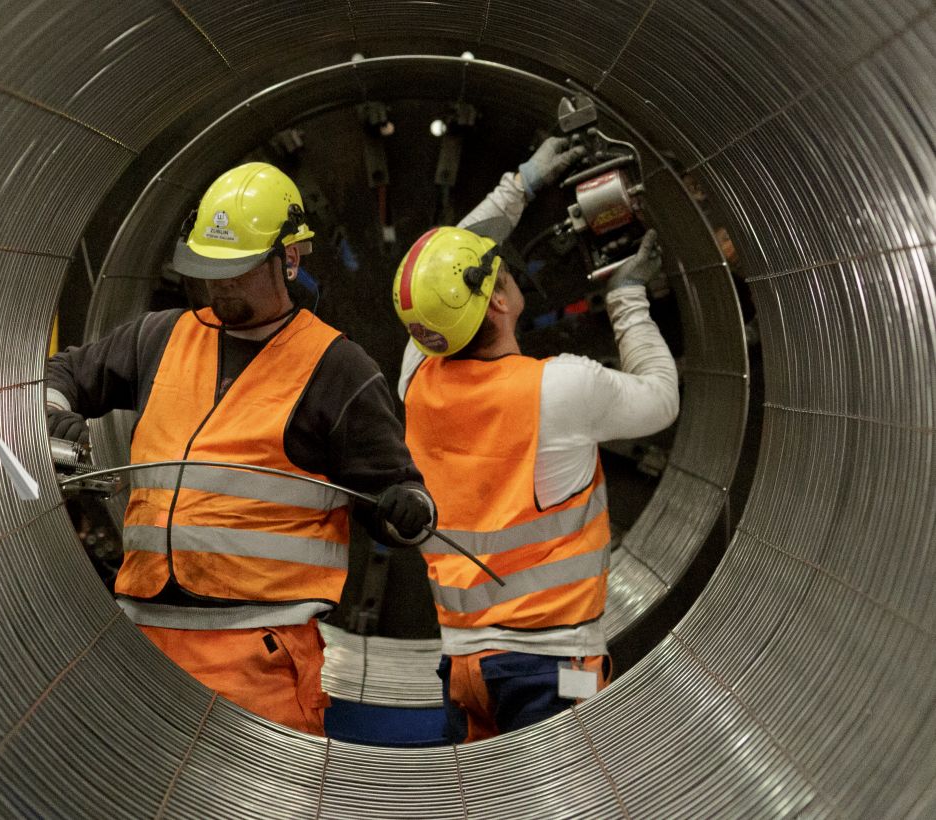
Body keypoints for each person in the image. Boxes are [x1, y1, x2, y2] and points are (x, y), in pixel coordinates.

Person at [45, 162, 434, 736]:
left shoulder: (337, 369)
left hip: (259, 659)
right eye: (209, 268)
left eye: (236, 270)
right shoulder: (160, 337)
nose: (219, 285)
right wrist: (56, 416)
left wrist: (405, 510)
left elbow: (402, 502)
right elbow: (60, 374)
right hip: (143, 644)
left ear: (289, 258)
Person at [392, 138, 679, 742]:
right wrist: (628, 297)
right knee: (567, 788)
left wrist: (521, 182)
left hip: (464, 667)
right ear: (499, 300)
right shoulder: (560, 388)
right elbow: (661, 397)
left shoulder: (416, 377)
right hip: (554, 667)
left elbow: (439, 272)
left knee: (483, 792)